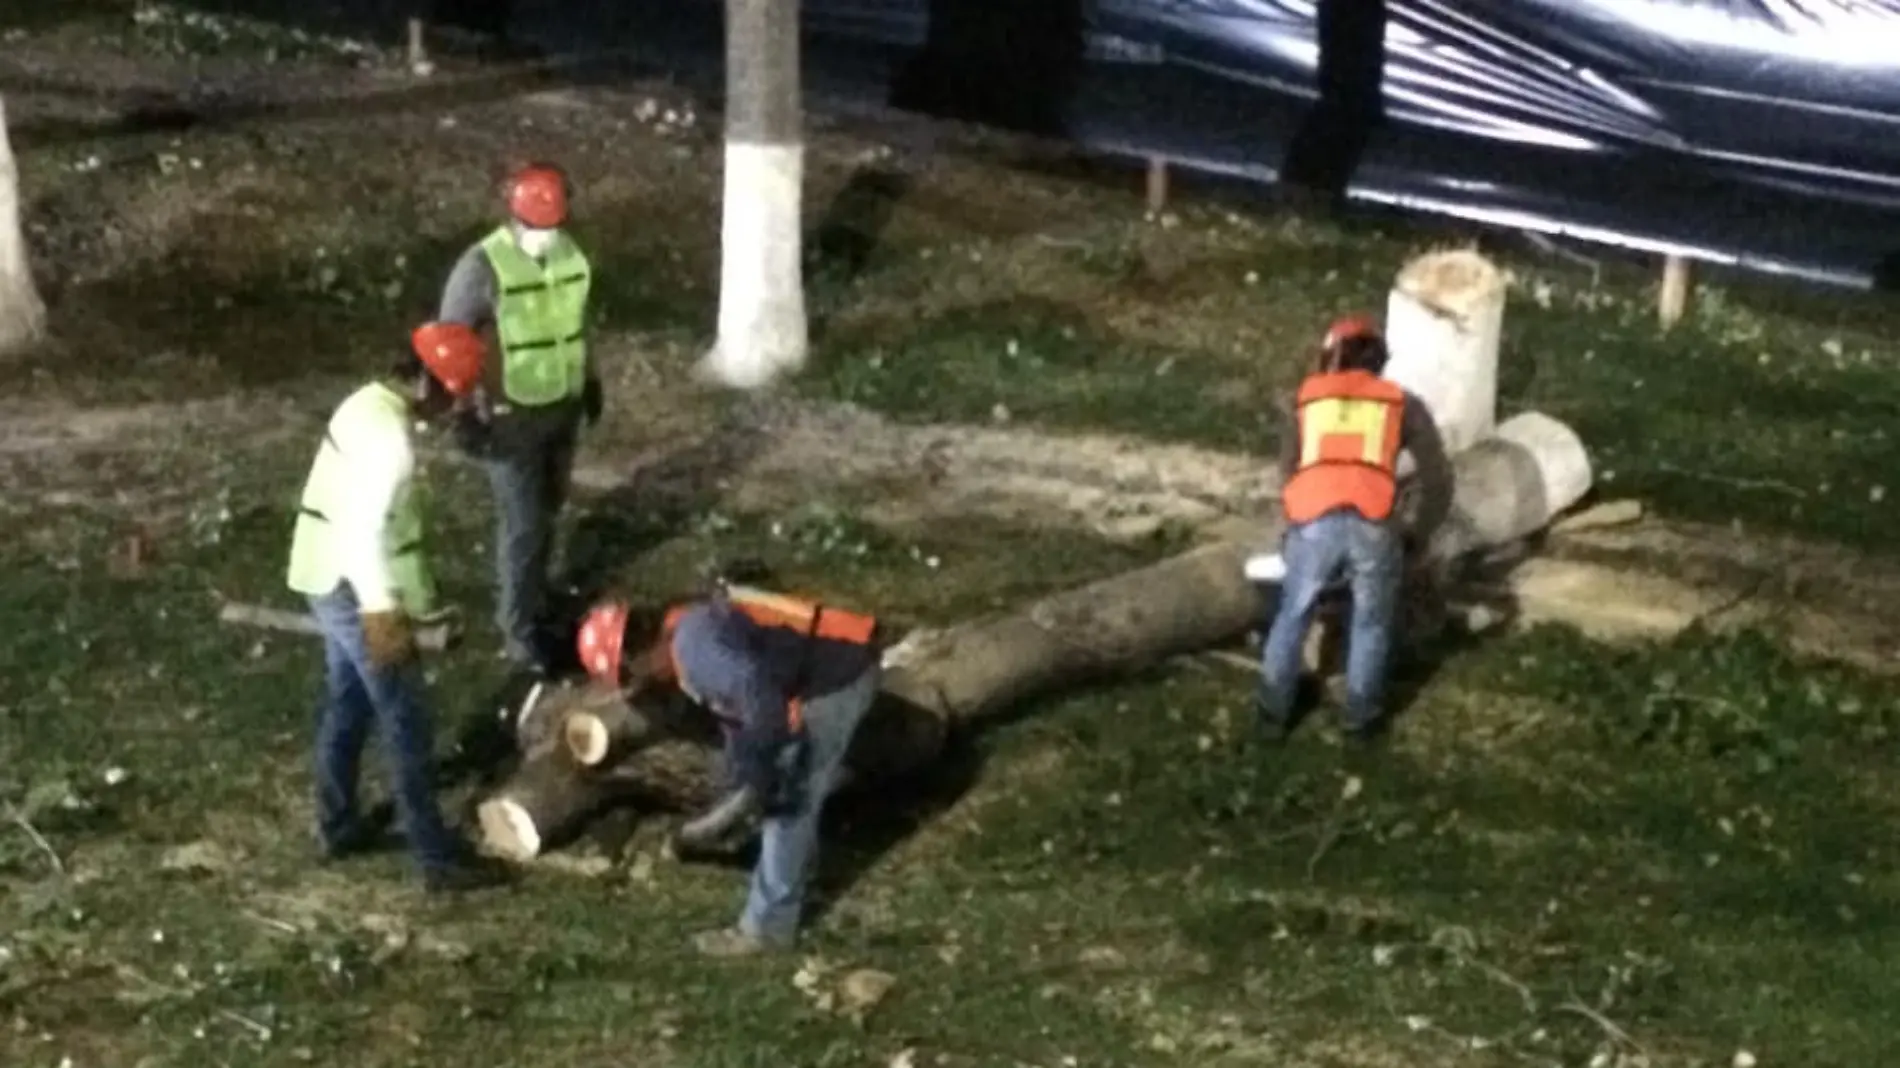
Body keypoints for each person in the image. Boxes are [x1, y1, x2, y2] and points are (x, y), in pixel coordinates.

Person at [285, 322, 511, 893]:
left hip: (320, 569)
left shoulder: (364, 401)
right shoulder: (392, 444)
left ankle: (338, 825)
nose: (448, 411)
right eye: (450, 398)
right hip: (349, 582)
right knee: (406, 718)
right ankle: (435, 858)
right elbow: (364, 535)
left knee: (348, 701)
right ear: (429, 386)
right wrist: (382, 613)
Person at [575, 584, 882, 956]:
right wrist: (740, 774)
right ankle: (789, 869)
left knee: (789, 800)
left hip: (833, 680)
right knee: (778, 790)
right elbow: (734, 710)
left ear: (633, 656)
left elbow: (759, 696)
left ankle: (767, 930)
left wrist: (760, 771)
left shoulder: (695, 648)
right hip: (824, 670)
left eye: (631, 678)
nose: (645, 687)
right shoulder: (688, 632)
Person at [1256, 314, 1452, 745]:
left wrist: (1295, 524)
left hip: (1312, 520)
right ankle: (1360, 723)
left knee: (1293, 615)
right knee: (1372, 623)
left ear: (1333, 355)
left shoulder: (1305, 398)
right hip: (1374, 521)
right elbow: (1438, 479)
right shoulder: (1402, 403)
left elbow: (1289, 470)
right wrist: (1417, 532)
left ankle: (1272, 715)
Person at [438, 161, 600, 673]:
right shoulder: (482, 266)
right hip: (507, 418)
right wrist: (462, 410)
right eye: (536, 228)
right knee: (523, 525)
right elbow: (450, 344)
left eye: (552, 227)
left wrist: (590, 379)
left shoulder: (569, 255)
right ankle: (518, 631)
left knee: (548, 511)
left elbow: (575, 324)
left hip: (561, 406)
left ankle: (535, 595)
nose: (545, 237)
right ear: (515, 217)